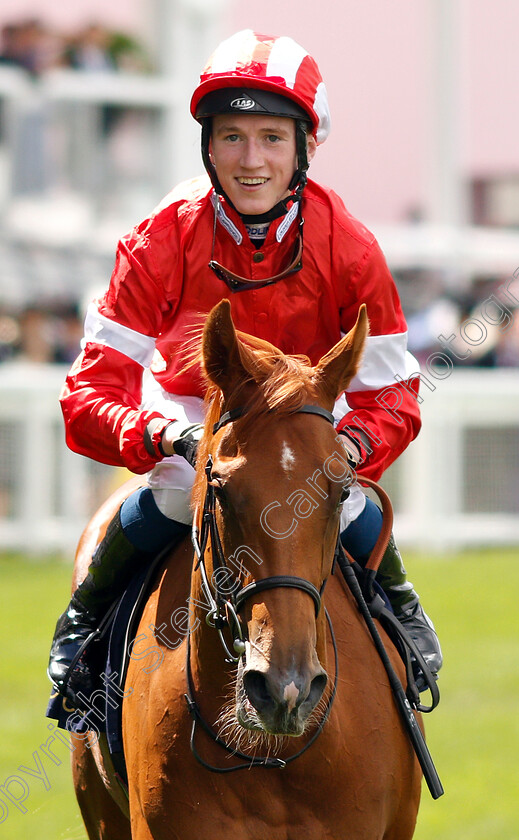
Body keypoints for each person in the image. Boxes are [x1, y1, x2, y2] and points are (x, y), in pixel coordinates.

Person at [48, 30, 442, 701]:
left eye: (271, 138)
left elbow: (396, 397)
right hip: (197, 411)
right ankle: (86, 624)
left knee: (339, 503)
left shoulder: (351, 249)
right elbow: (89, 394)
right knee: (176, 491)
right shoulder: (157, 238)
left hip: (309, 414)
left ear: (305, 149)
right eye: (231, 136)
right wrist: (163, 437)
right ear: (207, 146)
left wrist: (348, 445)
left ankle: (400, 603)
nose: (250, 159)